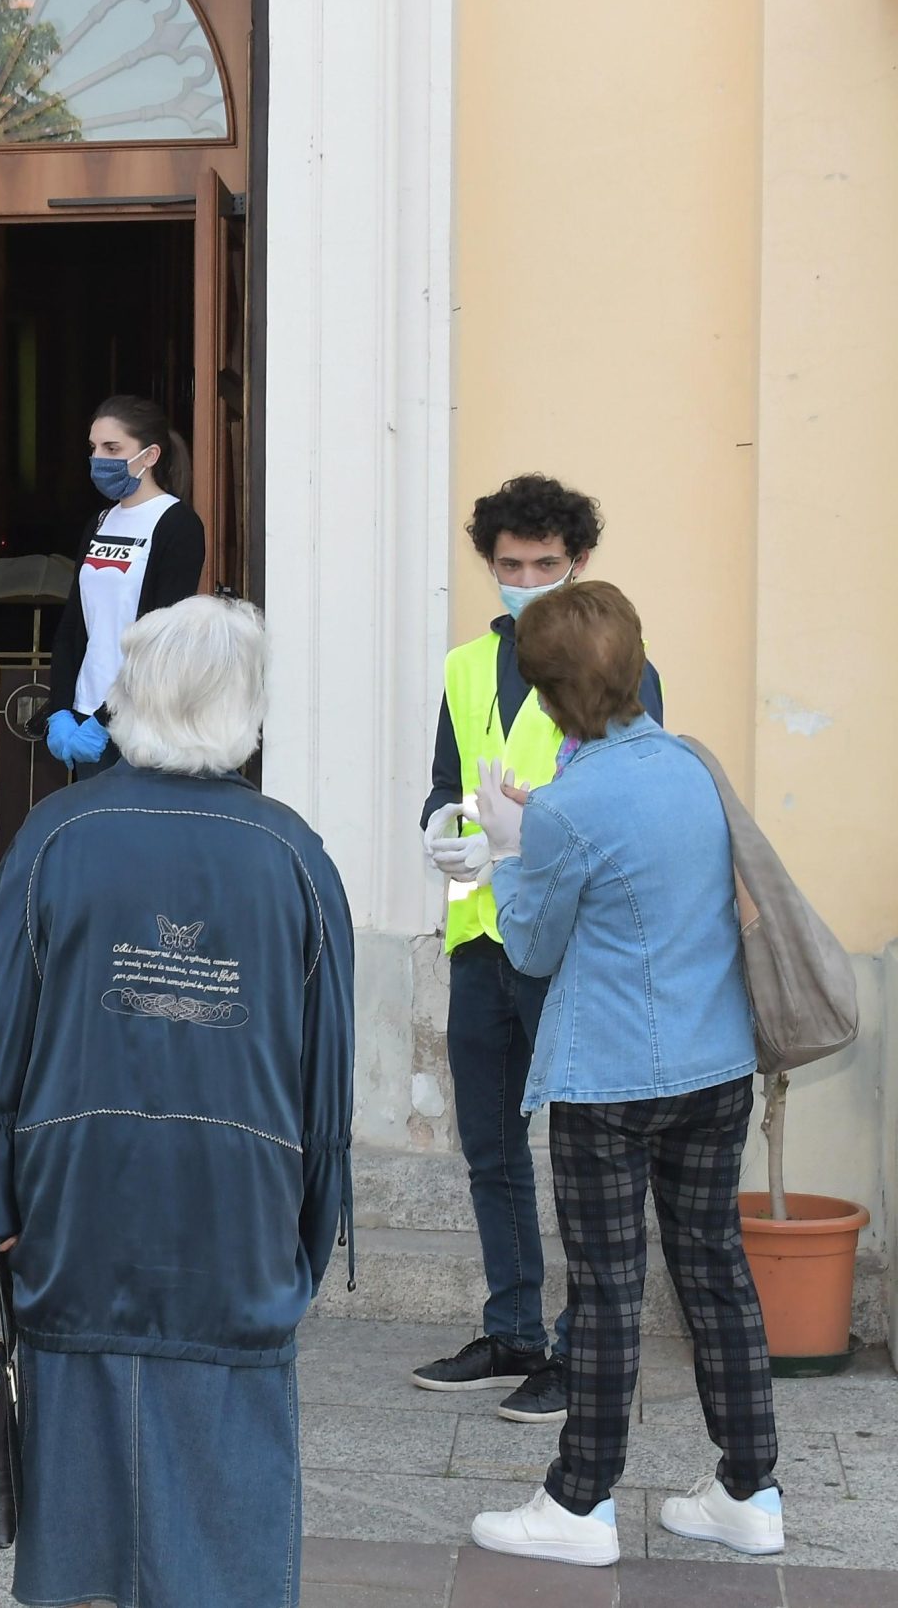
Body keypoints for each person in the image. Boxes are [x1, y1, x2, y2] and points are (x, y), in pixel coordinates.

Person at [0, 596, 352, 1608]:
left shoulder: (55, 834)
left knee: (78, 1405)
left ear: (130, 693)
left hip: (75, 1185)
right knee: (231, 1420)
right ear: (247, 704)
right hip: (240, 1189)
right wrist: (313, 1214)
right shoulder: (292, 852)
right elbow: (325, 1070)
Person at [467, 582, 780, 1568]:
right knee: (714, 1270)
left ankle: (578, 1502)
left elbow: (530, 945)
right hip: (715, 1062)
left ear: (546, 697)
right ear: (634, 663)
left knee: (604, 1288)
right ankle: (747, 1486)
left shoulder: (567, 805)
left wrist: (508, 845)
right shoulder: (692, 763)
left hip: (608, 1077)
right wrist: (543, 820)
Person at [412, 475, 667, 1424]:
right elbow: (445, 780)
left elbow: (635, 798)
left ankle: (579, 1353)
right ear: (489, 565)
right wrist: (445, 829)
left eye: (545, 566)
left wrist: (526, 839)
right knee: (490, 1148)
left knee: (586, 1163)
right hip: (481, 929)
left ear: (580, 564)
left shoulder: (623, 665)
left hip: (567, 944)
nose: (525, 581)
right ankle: (514, 1330)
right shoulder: (466, 666)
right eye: (509, 566)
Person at [44, 396, 206, 780]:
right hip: (84, 717)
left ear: (150, 455)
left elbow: (162, 639)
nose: (99, 458)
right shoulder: (100, 521)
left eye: (112, 448)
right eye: (94, 448)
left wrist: (107, 716)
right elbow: (73, 625)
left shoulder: (177, 525)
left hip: (138, 722)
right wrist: (60, 710)